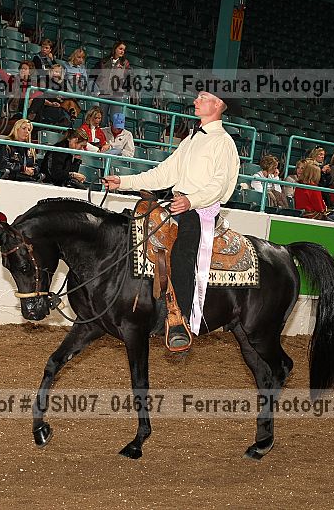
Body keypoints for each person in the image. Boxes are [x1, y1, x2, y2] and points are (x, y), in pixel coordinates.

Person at [103, 90, 241, 351]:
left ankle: (180, 320)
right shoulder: (191, 138)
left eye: (203, 97)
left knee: (181, 254)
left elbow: (219, 185)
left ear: (218, 104)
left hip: (199, 211)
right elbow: (163, 173)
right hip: (179, 204)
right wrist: (123, 182)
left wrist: (191, 200)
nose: (196, 101)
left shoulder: (224, 142)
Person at [96, 41, 130, 125]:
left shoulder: (125, 63)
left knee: (115, 119)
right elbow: (98, 76)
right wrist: (98, 89)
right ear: (115, 49)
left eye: (124, 50)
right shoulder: (104, 61)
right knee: (102, 119)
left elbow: (128, 78)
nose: (122, 51)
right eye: (120, 49)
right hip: (104, 93)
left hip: (117, 94)